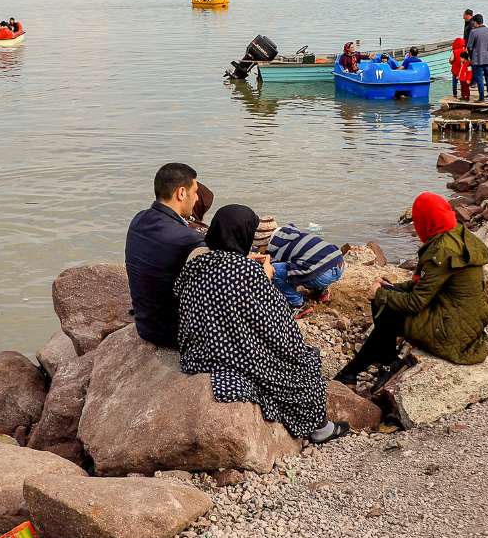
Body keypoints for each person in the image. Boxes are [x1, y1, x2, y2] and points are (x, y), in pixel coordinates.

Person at [177, 205, 349, 444]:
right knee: (305, 368)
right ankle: (321, 429)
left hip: (201, 350)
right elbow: (275, 324)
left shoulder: (196, 263)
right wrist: (265, 278)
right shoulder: (249, 272)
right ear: (245, 234)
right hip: (236, 354)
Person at [335, 193, 488, 386]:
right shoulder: (456, 234)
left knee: (387, 308)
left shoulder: (441, 252)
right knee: (387, 298)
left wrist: (380, 293)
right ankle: (379, 360)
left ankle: (356, 371)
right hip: (465, 317)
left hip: (452, 331)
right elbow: (426, 287)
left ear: (426, 221)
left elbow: (415, 303)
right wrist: (390, 288)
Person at [125, 163, 206, 347]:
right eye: (195, 192)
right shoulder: (188, 238)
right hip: (173, 333)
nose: (196, 198)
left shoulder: (138, 219)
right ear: (181, 193)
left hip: (144, 325)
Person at [258, 222, 345, 312]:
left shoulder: (276, 247)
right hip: (339, 263)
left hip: (322, 275)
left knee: (275, 270)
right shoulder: (294, 235)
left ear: (265, 242)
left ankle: (298, 304)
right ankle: (320, 292)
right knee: (310, 262)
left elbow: (272, 270)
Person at [466, 15, 488, 102]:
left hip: (477, 59)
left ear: (475, 22)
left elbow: (469, 47)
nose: (473, 24)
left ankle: (482, 98)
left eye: (473, 22)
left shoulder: (473, 32)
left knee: (479, 79)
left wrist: (471, 58)